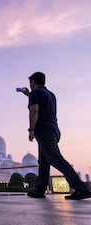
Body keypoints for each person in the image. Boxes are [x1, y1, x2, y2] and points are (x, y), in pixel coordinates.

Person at [20, 72, 91, 200]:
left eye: (30, 83)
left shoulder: (35, 93)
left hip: (43, 130)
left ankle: (81, 189)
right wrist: (29, 95)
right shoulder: (51, 94)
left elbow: (34, 110)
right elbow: (42, 106)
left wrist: (31, 129)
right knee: (43, 161)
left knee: (56, 159)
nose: (30, 86)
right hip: (54, 129)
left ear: (33, 82)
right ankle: (40, 189)